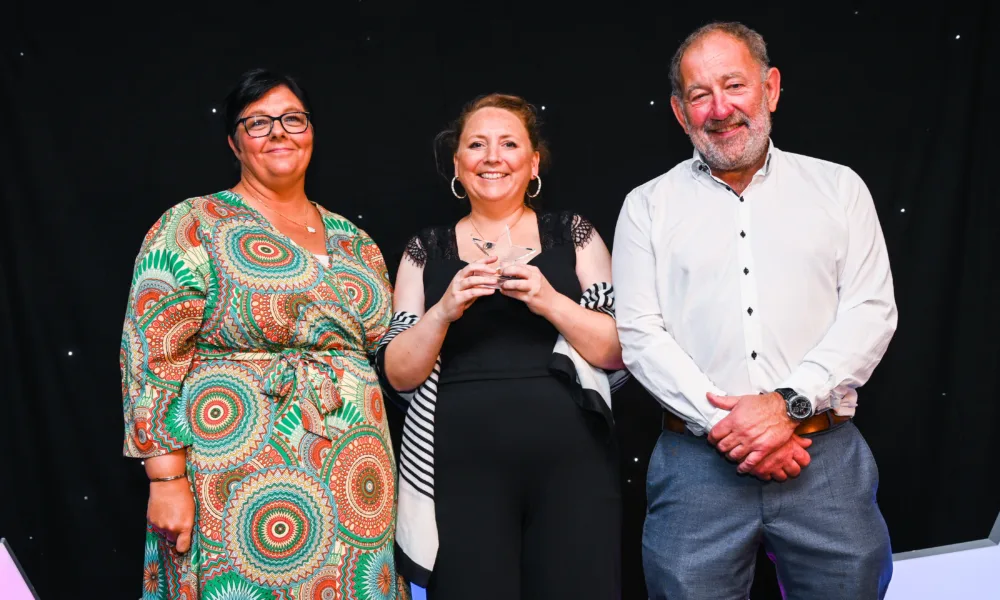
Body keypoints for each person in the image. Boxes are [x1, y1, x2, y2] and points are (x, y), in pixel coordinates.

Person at [612, 22, 897, 600]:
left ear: (770, 88)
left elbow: (871, 312)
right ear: (678, 111)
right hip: (696, 469)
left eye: (734, 85)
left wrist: (786, 406)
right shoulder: (646, 207)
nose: (720, 109)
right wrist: (731, 426)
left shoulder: (839, 189)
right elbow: (641, 335)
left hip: (825, 460)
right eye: (699, 94)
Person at [120, 68, 408, 600]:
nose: (279, 132)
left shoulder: (355, 240)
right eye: (258, 123)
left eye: (292, 119)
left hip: (355, 469)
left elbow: (383, 348)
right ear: (234, 142)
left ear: (311, 132)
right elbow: (151, 353)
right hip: (239, 463)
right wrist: (165, 480)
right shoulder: (194, 222)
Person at [377, 93, 627, 599]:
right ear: (457, 163)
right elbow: (398, 372)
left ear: (533, 162)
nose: (493, 157)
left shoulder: (573, 234)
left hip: (572, 462)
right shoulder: (425, 249)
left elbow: (619, 351)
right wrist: (444, 310)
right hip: (458, 467)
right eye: (477, 144)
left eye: (509, 143)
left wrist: (550, 300)